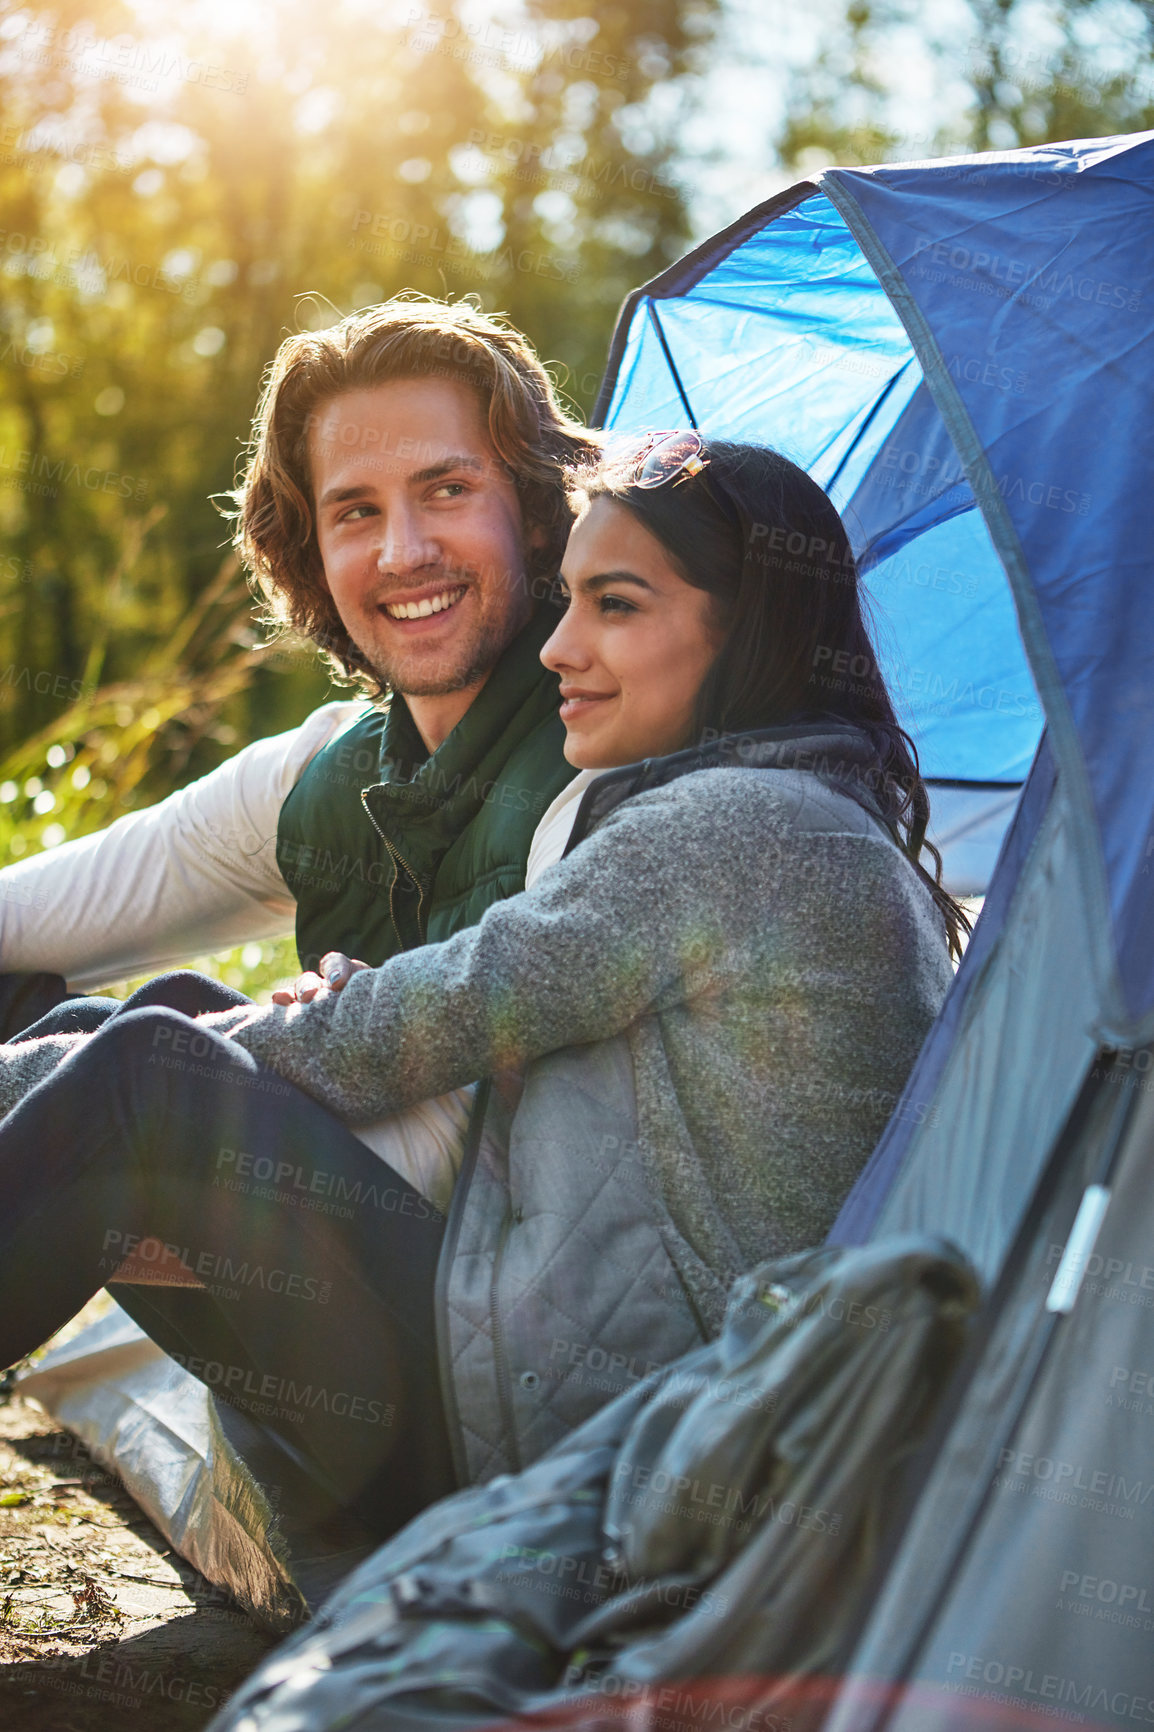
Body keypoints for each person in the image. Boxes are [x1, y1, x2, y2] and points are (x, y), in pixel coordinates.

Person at [0, 435, 962, 1540]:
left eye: (614, 604)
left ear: (745, 627)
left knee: (143, 1079)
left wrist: (35, 1074)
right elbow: (469, 1011)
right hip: (583, 1398)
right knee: (156, 1018)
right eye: (563, 601)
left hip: (592, 1447)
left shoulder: (738, 830)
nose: (556, 647)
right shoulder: (807, 817)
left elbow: (421, 1023)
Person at [0, 296, 597, 1038]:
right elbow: (23, 918)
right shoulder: (316, 778)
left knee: (143, 1050)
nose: (403, 553)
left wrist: (329, 1027)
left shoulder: (605, 767)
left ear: (538, 512)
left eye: (448, 490)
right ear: (310, 552)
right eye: (356, 511)